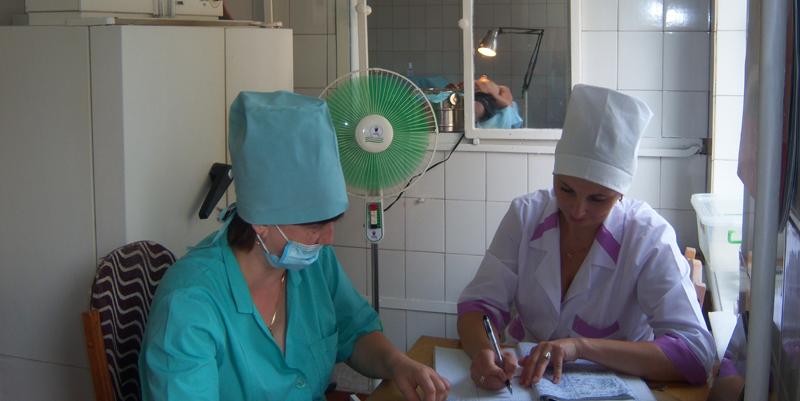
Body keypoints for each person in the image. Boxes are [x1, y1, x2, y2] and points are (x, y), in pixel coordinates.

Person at [139, 91, 451, 401]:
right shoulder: (190, 305)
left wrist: (398, 364)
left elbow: (355, 331)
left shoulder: (315, 264)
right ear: (260, 220)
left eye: (332, 222)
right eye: (314, 227)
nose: (328, 239)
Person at [456, 84, 716, 391]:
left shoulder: (648, 237)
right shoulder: (525, 215)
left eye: (598, 199)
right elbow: (479, 304)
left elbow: (695, 354)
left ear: (620, 193)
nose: (577, 211)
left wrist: (580, 348)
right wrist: (485, 351)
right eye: (565, 190)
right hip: (524, 381)